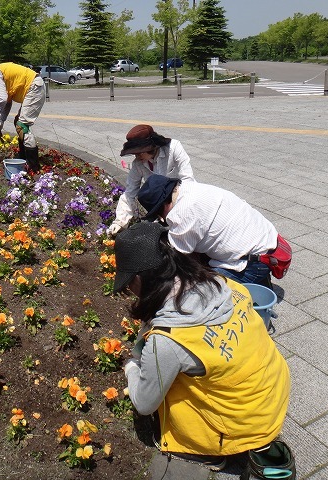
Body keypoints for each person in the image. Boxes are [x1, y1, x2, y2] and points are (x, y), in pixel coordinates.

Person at [114, 221, 291, 472]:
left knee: (169, 398)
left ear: (141, 280)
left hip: (246, 421)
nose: (129, 290)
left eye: (129, 282)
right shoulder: (222, 283)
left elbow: (144, 403)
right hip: (274, 390)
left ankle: (206, 452)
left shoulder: (167, 341)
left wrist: (131, 366)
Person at [137, 174, 278, 288]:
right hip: (266, 243)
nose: (162, 219)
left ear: (163, 206)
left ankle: (251, 283)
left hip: (253, 263)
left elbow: (177, 257)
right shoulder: (188, 188)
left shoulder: (182, 213)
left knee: (198, 289)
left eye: (158, 214)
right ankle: (258, 281)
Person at [107, 124, 194, 236]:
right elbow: (130, 193)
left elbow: (188, 179)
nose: (137, 156)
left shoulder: (174, 148)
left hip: (181, 203)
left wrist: (179, 207)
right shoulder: (138, 164)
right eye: (134, 153)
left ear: (151, 147)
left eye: (140, 152)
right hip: (159, 212)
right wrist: (119, 222)